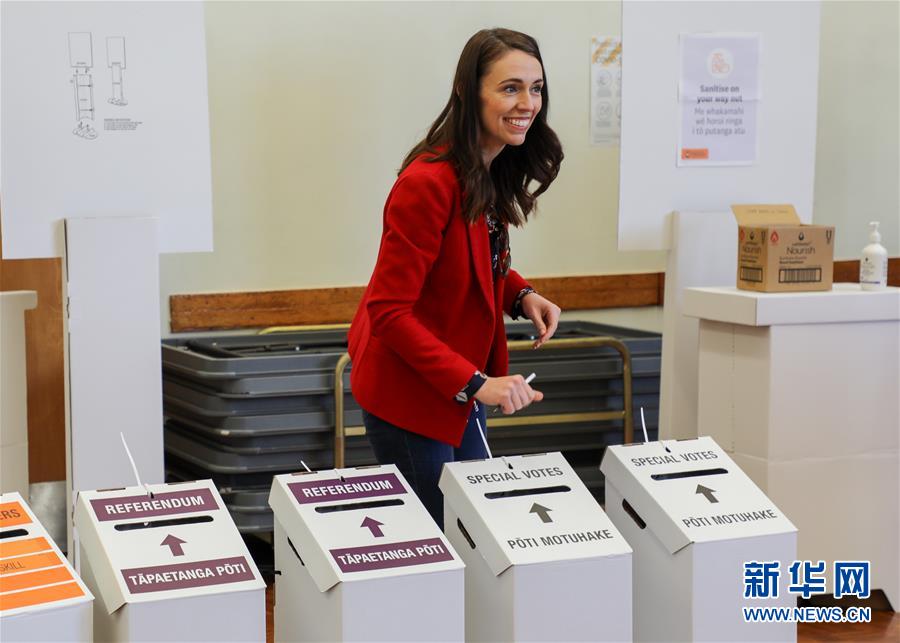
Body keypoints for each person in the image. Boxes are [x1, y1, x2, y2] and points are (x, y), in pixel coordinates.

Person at [348, 28, 564, 527]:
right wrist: (476, 383)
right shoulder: (426, 183)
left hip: (462, 389)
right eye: (510, 88)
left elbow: (470, 260)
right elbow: (388, 311)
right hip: (412, 394)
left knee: (475, 535)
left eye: (536, 88)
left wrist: (521, 294)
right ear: (469, 91)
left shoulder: (487, 167)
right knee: (447, 541)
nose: (527, 102)